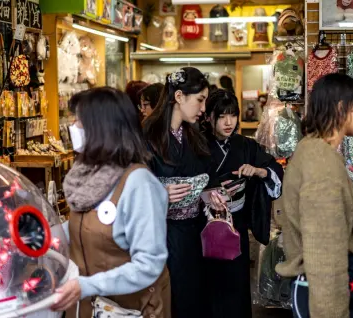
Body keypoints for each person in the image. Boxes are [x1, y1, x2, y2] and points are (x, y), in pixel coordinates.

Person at [52, 87, 170, 318]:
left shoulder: (139, 184)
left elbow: (148, 264)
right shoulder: (87, 178)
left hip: (130, 309)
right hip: (86, 307)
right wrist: (42, 238)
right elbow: (84, 227)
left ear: (101, 128)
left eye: (80, 121)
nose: (74, 128)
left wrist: (87, 286)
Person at [275, 73, 353, 318]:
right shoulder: (321, 161)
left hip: (318, 288)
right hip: (323, 296)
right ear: (341, 109)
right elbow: (323, 250)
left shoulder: (315, 150)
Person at [143, 67, 224, 317]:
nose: (203, 109)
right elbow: (132, 187)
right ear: (179, 96)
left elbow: (204, 178)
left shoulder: (194, 134)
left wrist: (209, 195)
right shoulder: (147, 135)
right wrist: (161, 193)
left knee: (196, 298)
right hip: (162, 235)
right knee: (171, 299)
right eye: (199, 100)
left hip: (195, 231)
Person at [203, 89, 283, 318]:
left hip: (235, 226)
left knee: (236, 287)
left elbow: (274, 170)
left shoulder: (246, 146)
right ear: (209, 117)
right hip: (204, 226)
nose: (229, 122)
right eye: (221, 116)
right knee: (208, 288)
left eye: (233, 115)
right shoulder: (198, 145)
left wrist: (258, 171)